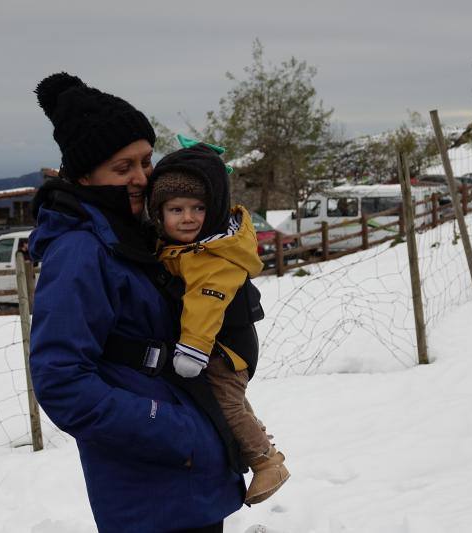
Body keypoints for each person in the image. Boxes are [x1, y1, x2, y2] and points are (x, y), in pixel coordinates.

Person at [28, 73, 244, 533]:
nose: (142, 178)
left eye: (146, 162)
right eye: (123, 168)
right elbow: (61, 381)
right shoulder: (80, 252)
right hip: (151, 486)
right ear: (85, 175)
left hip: (186, 478)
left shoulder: (136, 237)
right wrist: (168, 429)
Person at [148, 140, 290, 505]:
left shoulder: (212, 256)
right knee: (234, 401)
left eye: (198, 208)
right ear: (159, 213)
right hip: (224, 341)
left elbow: (204, 305)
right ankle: (261, 439)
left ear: (212, 211)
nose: (188, 217)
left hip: (225, 347)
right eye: (176, 209)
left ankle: (265, 462)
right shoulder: (192, 246)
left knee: (226, 403)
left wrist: (192, 351)